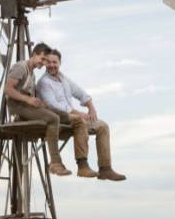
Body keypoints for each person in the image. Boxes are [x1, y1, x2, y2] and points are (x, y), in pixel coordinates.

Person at [36, 48, 126, 181]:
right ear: (45, 64)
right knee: (80, 120)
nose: (51, 65)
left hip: (72, 117)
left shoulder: (63, 79)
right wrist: (79, 113)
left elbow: (79, 92)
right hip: (57, 119)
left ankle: (105, 169)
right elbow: (54, 106)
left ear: (60, 63)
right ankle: (82, 166)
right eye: (48, 62)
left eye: (54, 62)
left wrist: (91, 108)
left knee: (103, 126)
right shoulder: (44, 82)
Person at [4, 42, 72, 176]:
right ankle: (55, 163)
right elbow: (8, 90)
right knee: (54, 119)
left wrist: (40, 103)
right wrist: (28, 100)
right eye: (42, 59)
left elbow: (30, 94)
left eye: (46, 61)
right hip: (17, 104)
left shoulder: (32, 73)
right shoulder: (20, 67)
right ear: (34, 54)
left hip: (27, 104)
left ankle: (23, 118)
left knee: (64, 116)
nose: (44, 63)